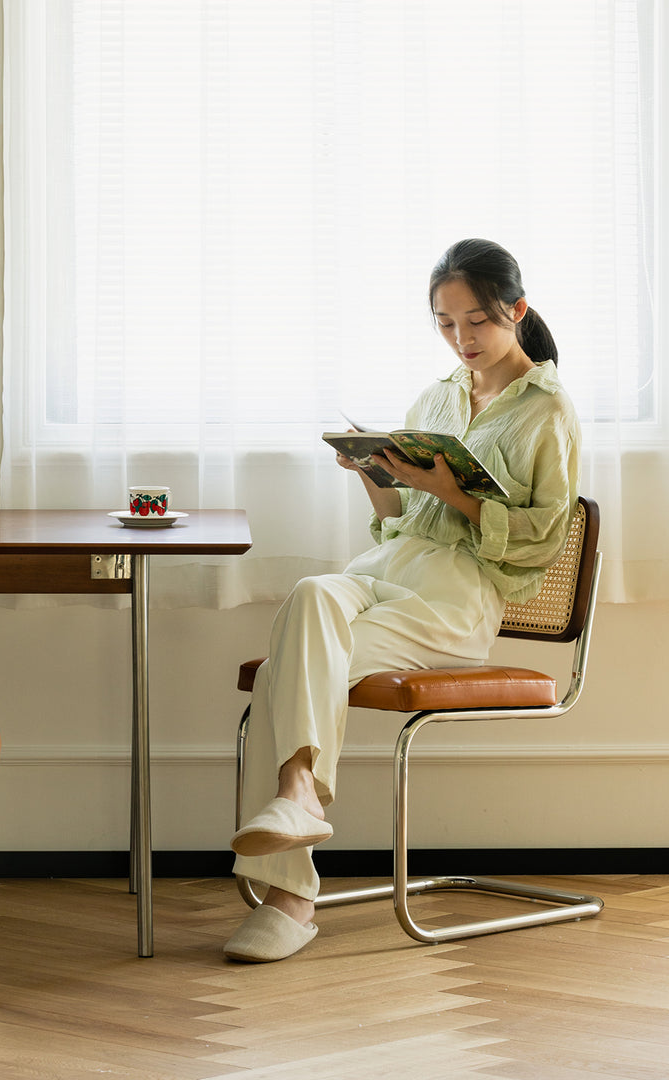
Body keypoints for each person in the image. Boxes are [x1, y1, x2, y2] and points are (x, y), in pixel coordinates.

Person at [225, 238, 581, 963]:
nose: (461, 339)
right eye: (446, 324)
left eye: (476, 321)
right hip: (390, 566)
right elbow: (397, 518)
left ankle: (292, 897)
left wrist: (454, 493)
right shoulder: (439, 396)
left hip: (455, 598)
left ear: (516, 310)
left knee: (286, 671)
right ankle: (298, 796)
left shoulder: (548, 411)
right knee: (312, 594)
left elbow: (545, 537)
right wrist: (372, 471)